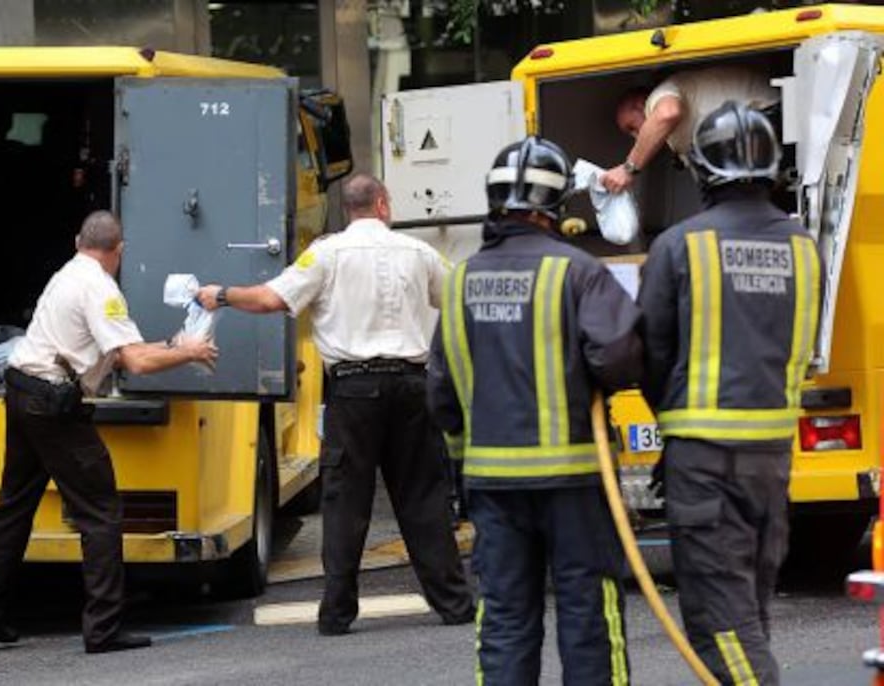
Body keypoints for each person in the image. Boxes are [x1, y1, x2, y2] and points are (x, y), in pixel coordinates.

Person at [196, 174, 474, 636]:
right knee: (423, 498)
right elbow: (458, 299)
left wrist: (221, 295)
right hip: (410, 386)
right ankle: (454, 604)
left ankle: (338, 613)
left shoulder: (325, 255)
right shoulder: (418, 253)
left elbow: (270, 299)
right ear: (383, 204)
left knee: (346, 501)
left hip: (353, 391)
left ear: (348, 209)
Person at [428, 136, 643, 684]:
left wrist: (464, 464)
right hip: (575, 483)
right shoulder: (577, 272)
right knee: (589, 617)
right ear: (556, 206)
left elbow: (441, 396)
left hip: (492, 487)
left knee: (502, 620)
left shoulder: (459, 284)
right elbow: (619, 359)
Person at [0, 211, 218, 653]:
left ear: (79, 240)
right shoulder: (101, 288)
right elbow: (134, 362)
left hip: (22, 392)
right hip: (52, 405)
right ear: (118, 252)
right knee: (100, 510)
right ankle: (103, 628)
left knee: (15, 507)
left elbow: (118, 352)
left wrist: (173, 347)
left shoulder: (67, 274)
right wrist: (189, 354)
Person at [638, 102, 821, 685]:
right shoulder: (804, 249)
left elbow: (650, 355)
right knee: (750, 614)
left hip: (704, 461)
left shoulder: (679, 245)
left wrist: (675, 414)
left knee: (720, 623)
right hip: (771, 461)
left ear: (700, 171)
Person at [600, 65, 779, 194]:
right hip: (759, 131)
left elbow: (667, 114)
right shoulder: (680, 140)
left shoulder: (660, 95)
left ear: (640, 105)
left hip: (767, 119)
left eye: (632, 126)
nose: (635, 136)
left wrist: (628, 169)